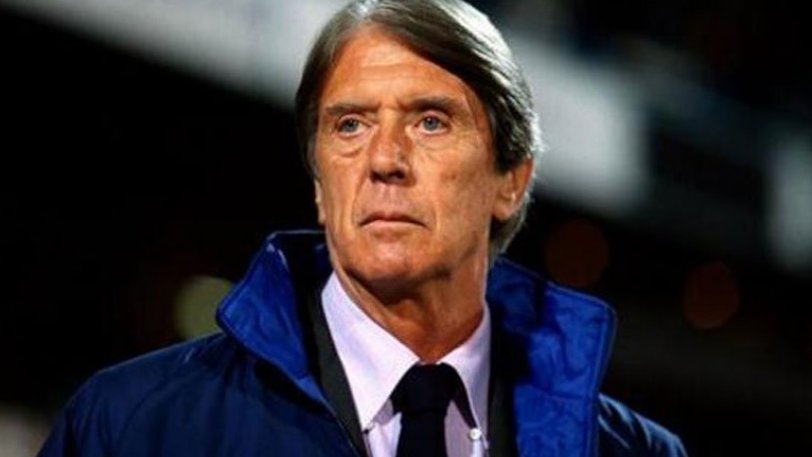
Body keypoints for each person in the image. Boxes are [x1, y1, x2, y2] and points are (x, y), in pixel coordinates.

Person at [38, 0, 687, 456]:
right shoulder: (133, 425)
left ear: (510, 179)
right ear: (321, 187)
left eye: (430, 121)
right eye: (350, 125)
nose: (384, 159)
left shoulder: (636, 453)